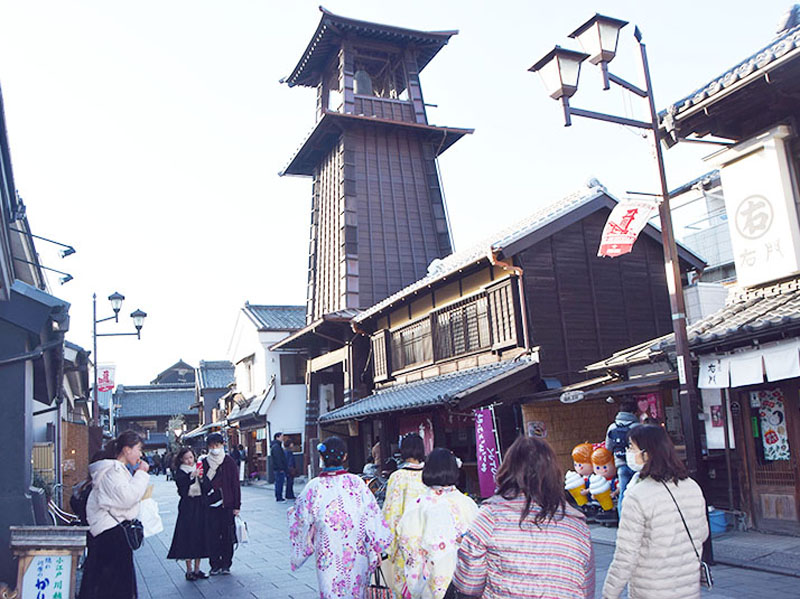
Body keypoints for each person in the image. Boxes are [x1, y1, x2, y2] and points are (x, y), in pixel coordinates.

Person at [453, 436, 595, 599]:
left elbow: (468, 585)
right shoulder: (578, 525)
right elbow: (586, 590)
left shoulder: (490, 516)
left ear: (507, 470)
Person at [602, 425, 709, 599]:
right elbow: (702, 533)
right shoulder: (692, 486)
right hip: (688, 586)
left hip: (651, 588)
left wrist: (609, 594)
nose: (628, 452)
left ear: (647, 453)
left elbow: (626, 555)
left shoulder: (637, 495)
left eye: (631, 447)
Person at [288, 436, 392, 598]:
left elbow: (299, 519)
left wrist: (308, 531)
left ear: (322, 457)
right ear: (344, 457)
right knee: (357, 591)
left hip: (327, 552)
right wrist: (377, 547)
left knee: (330, 591)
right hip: (357, 551)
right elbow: (372, 516)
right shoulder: (357, 483)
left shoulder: (313, 487)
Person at [397, 448, 478, 599]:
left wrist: (415, 584)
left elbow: (408, 544)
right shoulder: (469, 504)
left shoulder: (418, 505)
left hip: (432, 584)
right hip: (466, 583)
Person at [78, 430, 150, 599]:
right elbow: (128, 498)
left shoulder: (114, 470)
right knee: (114, 587)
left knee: (108, 586)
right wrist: (141, 474)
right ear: (127, 450)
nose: (140, 454)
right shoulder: (113, 471)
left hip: (109, 533)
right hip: (111, 535)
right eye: (138, 449)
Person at [382, 433, 427, 598]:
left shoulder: (398, 477)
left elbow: (391, 514)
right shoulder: (429, 475)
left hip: (406, 543)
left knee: (406, 587)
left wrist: (388, 548)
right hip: (429, 541)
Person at [167, 447, 211, 580]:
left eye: (191, 458)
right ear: (181, 459)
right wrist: (192, 476)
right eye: (186, 458)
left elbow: (207, 487)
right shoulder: (180, 472)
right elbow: (182, 487)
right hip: (188, 506)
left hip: (200, 504)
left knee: (200, 535)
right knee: (188, 536)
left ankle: (198, 569)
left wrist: (202, 478)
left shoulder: (198, 469)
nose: (189, 461)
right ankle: (189, 570)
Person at [201, 433, 241, 576]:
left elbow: (235, 485)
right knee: (212, 536)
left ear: (222, 445)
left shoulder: (229, 461)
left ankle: (226, 564)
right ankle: (214, 564)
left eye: (217, 445)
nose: (214, 449)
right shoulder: (204, 463)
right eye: (212, 446)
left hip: (227, 504)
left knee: (227, 535)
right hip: (210, 506)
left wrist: (237, 506)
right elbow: (201, 485)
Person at [606, 398, 640, 515]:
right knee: (639, 492)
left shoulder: (612, 427)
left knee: (623, 494)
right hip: (636, 465)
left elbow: (608, 447)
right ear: (634, 412)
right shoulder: (637, 426)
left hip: (620, 464)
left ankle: (622, 520)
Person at [271, 432, 289, 502]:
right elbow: (278, 459)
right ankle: (279, 497)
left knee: (279, 482)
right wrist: (281, 468)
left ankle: (279, 496)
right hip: (279, 469)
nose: (283, 438)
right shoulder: (276, 447)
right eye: (281, 437)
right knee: (279, 483)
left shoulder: (277, 446)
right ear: (277, 437)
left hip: (278, 468)